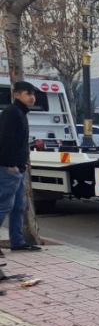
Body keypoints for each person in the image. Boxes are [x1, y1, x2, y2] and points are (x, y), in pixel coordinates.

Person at [0, 81, 43, 256]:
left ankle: (17, 241)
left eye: (33, 93)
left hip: (18, 167)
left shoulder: (20, 112)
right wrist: (10, 165)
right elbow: (5, 140)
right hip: (9, 168)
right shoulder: (11, 113)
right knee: (4, 205)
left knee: (19, 206)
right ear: (16, 95)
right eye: (28, 93)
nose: (32, 97)